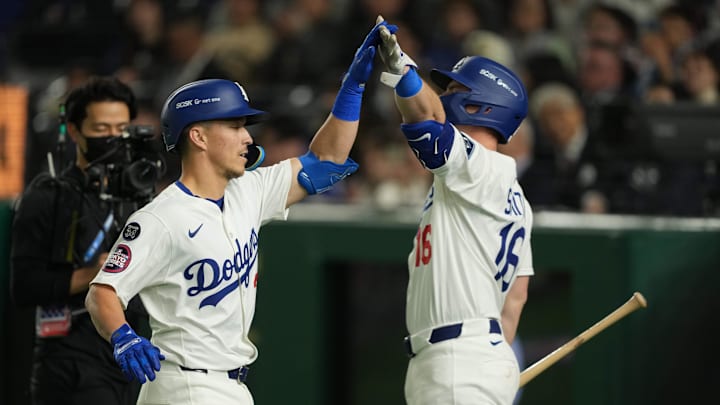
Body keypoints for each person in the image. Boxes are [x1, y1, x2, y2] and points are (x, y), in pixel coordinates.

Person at [83, 18, 395, 405]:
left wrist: (353, 87)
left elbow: (328, 159)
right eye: (234, 124)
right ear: (197, 136)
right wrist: (124, 337)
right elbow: (102, 292)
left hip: (229, 387)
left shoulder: (249, 190)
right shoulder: (160, 218)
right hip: (186, 385)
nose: (247, 136)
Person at [374, 16, 534, 405]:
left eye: (456, 88)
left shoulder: (482, 169)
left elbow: (425, 121)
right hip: (469, 359)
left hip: (457, 360)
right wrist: (496, 363)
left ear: (481, 104)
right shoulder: (510, 191)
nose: (444, 94)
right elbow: (515, 298)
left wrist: (401, 70)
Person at [10, 76, 149, 405]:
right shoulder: (49, 196)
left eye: (122, 129)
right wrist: (94, 274)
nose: (113, 139)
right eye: (101, 130)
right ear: (74, 131)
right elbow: (24, 286)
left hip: (135, 354)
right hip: (71, 357)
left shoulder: (142, 196)